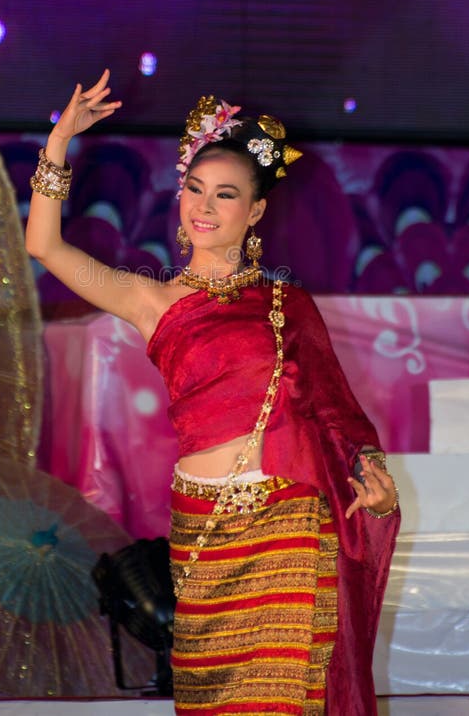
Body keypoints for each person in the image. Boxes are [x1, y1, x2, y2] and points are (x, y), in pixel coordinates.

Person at [25, 69, 400, 716]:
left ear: (255, 211)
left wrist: (373, 478)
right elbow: (43, 245)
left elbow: (334, 413)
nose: (202, 206)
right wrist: (59, 140)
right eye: (194, 188)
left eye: (224, 195)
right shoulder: (153, 299)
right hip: (203, 535)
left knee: (283, 701)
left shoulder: (288, 305)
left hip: (288, 521)